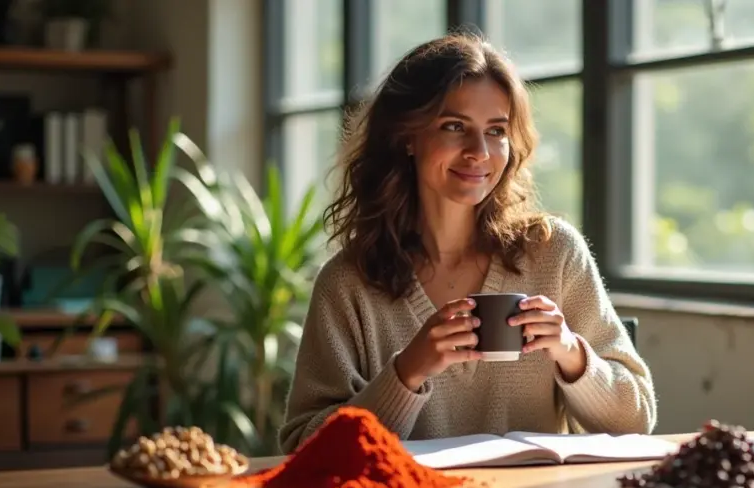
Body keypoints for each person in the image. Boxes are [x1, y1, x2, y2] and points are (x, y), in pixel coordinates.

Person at [278, 32, 657, 454]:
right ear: (407, 136)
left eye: (496, 130)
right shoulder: (348, 283)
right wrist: (407, 372)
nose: (479, 151)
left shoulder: (555, 253)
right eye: (454, 126)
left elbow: (637, 421)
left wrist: (571, 354)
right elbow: (303, 447)